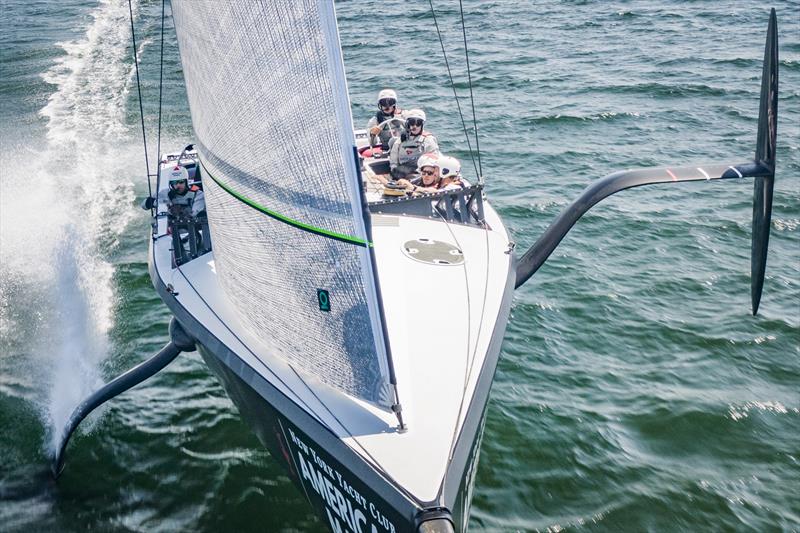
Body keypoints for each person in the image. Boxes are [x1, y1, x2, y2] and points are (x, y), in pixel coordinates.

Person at [389, 109, 439, 180]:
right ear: (408, 124)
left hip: (419, 173)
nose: (414, 126)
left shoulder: (428, 140)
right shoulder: (401, 139)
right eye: (412, 122)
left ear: (422, 124)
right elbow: (394, 157)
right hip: (401, 171)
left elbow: (433, 160)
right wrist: (394, 169)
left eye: (418, 123)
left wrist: (420, 175)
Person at [396, 153, 463, 193]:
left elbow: (435, 193)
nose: (434, 173)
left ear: (444, 172)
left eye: (436, 170)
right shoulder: (450, 184)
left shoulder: (454, 187)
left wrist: (413, 188)